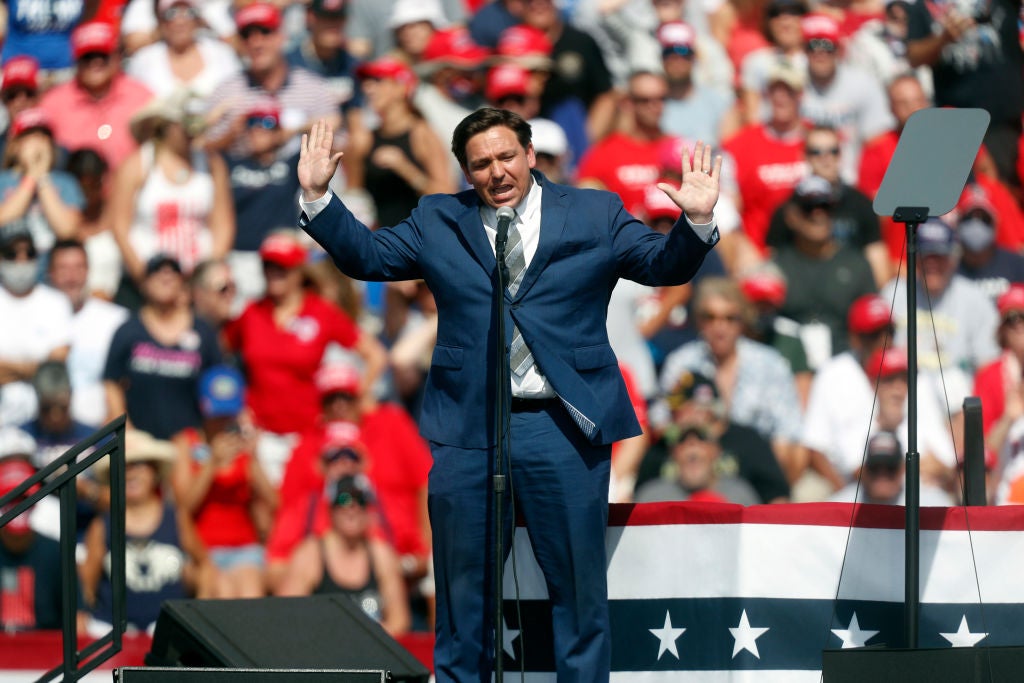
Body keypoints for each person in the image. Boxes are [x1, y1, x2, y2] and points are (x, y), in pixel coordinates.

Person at [297, 108, 721, 681]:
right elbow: (369, 258)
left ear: (529, 154)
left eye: (505, 157)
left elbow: (660, 267)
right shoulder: (437, 218)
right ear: (466, 173)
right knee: (461, 602)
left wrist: (694, 224)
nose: (496, 172)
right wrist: (320, 198)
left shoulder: (595, 212)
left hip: (564, 429)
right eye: (480, 165)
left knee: (579, 597)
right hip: (469, 429)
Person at [223, 231, 388, 486]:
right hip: (261, 434)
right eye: (268, 266)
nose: (274, 272)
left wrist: (356, 398)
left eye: (282, 267)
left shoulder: (320, 312)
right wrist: (237, 403)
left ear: (299, 271)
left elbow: (375, 354)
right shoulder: (251, 313)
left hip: (308, 433)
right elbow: (220, 356)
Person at [660, 275, 803, 471]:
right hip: (695, 469)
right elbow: (660, 420)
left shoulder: (769, 364)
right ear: (699, 321)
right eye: (710, 317)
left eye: (730, 318)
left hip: (757, 467)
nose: (720, 327)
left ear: (743, 321)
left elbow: (787, 433)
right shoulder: (681, 363)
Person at [81, 429, 212, 635]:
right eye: (123, 467)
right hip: (112, 633)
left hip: (168, 631)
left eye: (139, 464)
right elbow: (86, 585)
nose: (131, 473)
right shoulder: (101, 525)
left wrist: (200, 608)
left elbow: (204, 565)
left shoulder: (176, 519)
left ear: (155, 471)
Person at [110, 87, 235, 296]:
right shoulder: (137, 165)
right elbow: (120, 227)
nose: (192, 133)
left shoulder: (212, 164)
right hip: (145, 281)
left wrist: (206, 276)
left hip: (198, 284)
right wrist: (144, 277)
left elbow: (223, 225)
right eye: (185, 126)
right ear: (167, 125)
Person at [171, 365, 277, 598]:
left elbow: (274, 502)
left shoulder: (245, 446)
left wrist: (254, 459)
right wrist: (210, 464)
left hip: (244, 547)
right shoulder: (186, 443)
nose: (222, 422)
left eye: (228, 415)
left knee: (251, 594)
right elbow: (184, 507)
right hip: (202, 550)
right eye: (217, 416)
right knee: (222, 593)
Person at [102, 254, 222, 440]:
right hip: (143, 445)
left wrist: (208, 435)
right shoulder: (128, 331)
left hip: (190, 443)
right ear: (144, 284)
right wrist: (126, 431)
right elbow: (112, 383)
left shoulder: (203, 332)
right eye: (157, 271)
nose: (166, 275)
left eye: (173, 272)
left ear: (183, 284)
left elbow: (217, 383)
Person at [201, 2, 341, 158]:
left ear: (282, 36)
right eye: (246, 35)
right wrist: (232, 134)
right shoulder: (226, 92)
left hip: (299, 179)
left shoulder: (314, 88)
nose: (256, 43)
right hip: (241, 178)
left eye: (265, 31)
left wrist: (292, 130)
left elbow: (338, 141)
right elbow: (203, 148)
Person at [277, 475, 411, 637]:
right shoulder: (310, 554)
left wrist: (365, 637)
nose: (352, 508)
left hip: (370, 651)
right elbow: (286, 615)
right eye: (343, 499)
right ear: (330, 508)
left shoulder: (381, 555)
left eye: (360, 500)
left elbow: (400, 621)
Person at [770, 174, 878, 367]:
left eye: (826, 207)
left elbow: (872, 326)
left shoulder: (857, 265)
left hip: (845, 366)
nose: (818, 215)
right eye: (809, 207)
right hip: (788, 365)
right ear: (791, 216)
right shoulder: (776, 267)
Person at [638, 370, 791, 503]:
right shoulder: (662, 446)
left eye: (690, 410)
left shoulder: (747, 441)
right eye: (677, 411)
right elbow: (639, 495)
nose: (682, 417)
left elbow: (776, 497)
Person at [766, 125, 890, 287]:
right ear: (804, 156)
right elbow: (774, 264)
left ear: (841, 154)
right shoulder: (789, 208)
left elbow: (878, 264)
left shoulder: (862, 205)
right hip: (802, 291)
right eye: (816, 152)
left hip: (849, 290)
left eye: (833, 151)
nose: (825, 158)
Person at [344, 56, 455, 228]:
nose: (368, 88)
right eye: (366, 82)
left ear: (401, 87)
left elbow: (447, 196)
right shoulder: (366, 138)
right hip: (381, 244)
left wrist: (405, 168)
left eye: (378, 81)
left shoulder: (422, 133)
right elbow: (354, 197)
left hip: (418, 242)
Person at [38, 21, 153, 170]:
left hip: (132, 188)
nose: (95, 62)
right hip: (72, 190)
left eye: (102, 55)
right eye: (88, 56)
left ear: (116, 57)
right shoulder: (53, 103)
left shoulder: (141, 97)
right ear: (76, 60)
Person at [47, 239, 129, 427]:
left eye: (78, 267)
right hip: (47, 432)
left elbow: (125, 383)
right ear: (49, 273)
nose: (72, 277)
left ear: (88, 271)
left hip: (101, 432)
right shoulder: (33, 315)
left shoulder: (116, 320)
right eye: (63, 268)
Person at [0, 227, 72, 427]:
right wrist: (36, 368)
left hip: (44, 418)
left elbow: (56, 367)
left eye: (29, 253)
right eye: (11, 254)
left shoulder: (56, 302)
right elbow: (46, 369)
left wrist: (9, 368)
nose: (22, 261)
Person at [0, 430, 63, 631]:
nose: (17, 508)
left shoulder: (55, 551)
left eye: (23, 500)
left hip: (45, 653)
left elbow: (78, 619)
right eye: (11, 500)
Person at [0, 108, 84, 257]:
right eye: (29, 136)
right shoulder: (3, 180)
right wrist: (31, 176)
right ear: (14, 146)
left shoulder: (66, 182)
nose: (38, 143)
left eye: (44, 137)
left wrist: (43, 179)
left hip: (52, 274)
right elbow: (3, 218)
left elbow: (67, 231)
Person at [125, 0, 242, 98]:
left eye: (189, 12)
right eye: (171, 13)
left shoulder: (222, 54)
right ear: (161, 21)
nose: (180, 21)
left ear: (198, 19)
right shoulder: (144, 60)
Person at [829, 430, 952, 505]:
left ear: (902, 470)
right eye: (875, 468)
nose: (882, 476)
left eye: (890, 468)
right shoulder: (840, 506)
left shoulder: (931, 504)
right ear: (865, 469)